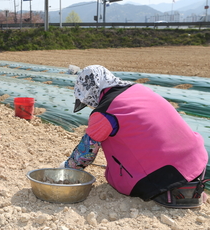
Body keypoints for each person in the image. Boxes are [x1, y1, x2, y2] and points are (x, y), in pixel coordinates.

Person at [60, 65, 209, 208]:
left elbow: (84, 155)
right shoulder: (139, 89)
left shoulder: (105, 112)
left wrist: (65, 169)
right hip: (196, 159)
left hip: (166, 175)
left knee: (114, 175)